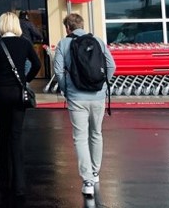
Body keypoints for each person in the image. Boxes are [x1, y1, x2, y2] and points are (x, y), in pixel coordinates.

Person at [52, 12, 117, 198]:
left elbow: (58, 71)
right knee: (96, 133)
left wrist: (67, 90)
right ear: (82, 25)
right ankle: (95, 173)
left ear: (68, 28)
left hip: (76, 97)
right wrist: (102, 86)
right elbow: (112, 66)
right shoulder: (97, 40)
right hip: (98, 96)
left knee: (79, 138)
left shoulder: (64, 43)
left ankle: (87, 180)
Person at [0, 11, 41, 197]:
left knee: (4, 132)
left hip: (0, 92)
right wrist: (25, 80)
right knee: (16, 135)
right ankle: (19, 183)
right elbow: (37, 64)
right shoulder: (24, 43)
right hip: (18, 93)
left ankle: (3, 174)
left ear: (1, 25)